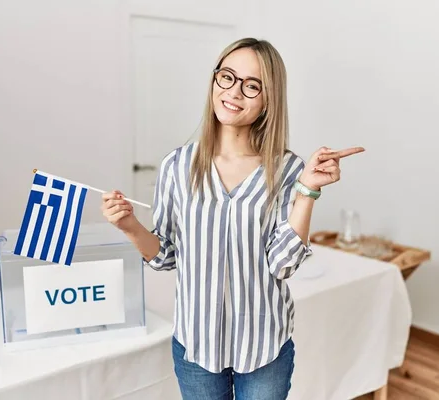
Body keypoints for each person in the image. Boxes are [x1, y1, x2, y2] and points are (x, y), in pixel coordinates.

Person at [101, 38, 364, 400]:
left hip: (264, 348)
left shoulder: (288, 169)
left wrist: (307, 191)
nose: (234, 92)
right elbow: (166, 256)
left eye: (251, 85)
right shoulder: (177, 166)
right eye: (227, 77)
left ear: (268, 99)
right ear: (213, 82)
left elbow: (284, 264)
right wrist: (129, 226)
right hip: (197, 346)